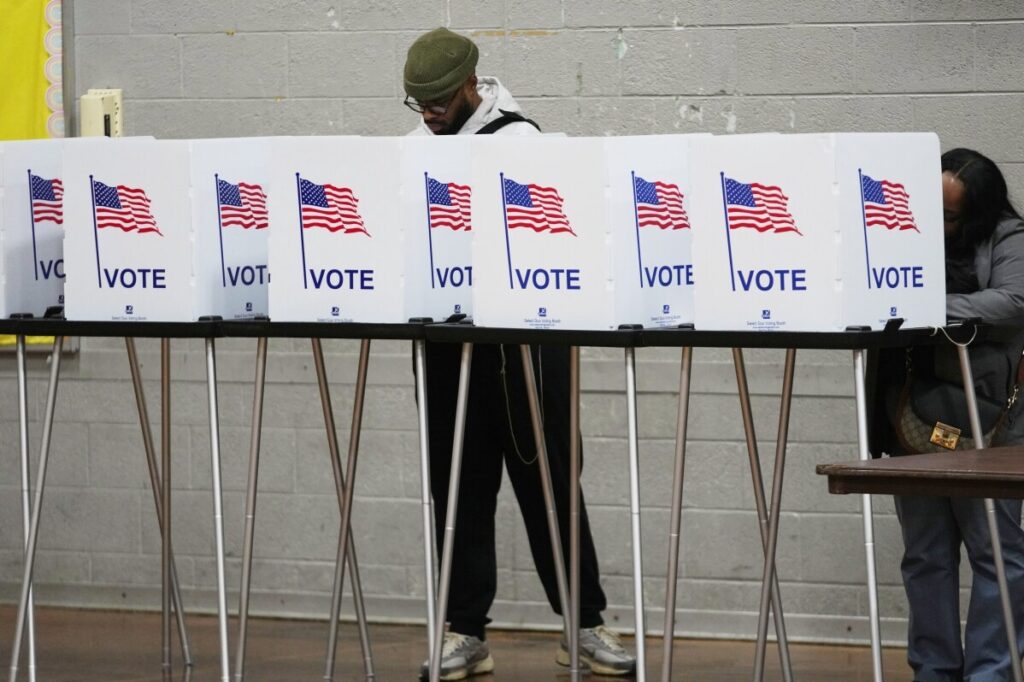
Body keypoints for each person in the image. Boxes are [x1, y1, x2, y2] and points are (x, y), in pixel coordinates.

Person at [402, 28, 637, 680]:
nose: (428, 112)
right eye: (418, 102)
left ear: (469, 85)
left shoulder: (522, 141)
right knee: (456, 487)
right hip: (447, 343)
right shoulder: (413, 150)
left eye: (438, 100)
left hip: (524, 346)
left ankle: (583, 623)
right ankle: (464, 630)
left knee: (550, 481)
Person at [870, 148, 1024, 681]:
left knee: (996, 553)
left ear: (978, 213)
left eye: (950, 216)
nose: (936, 225)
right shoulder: (900, 229)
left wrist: (925, 305)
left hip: (988, 416)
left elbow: (1015, 300)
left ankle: (990, 673)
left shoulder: (1007, 237)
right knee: (925, 554)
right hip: (912, 412)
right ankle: (933, 671)